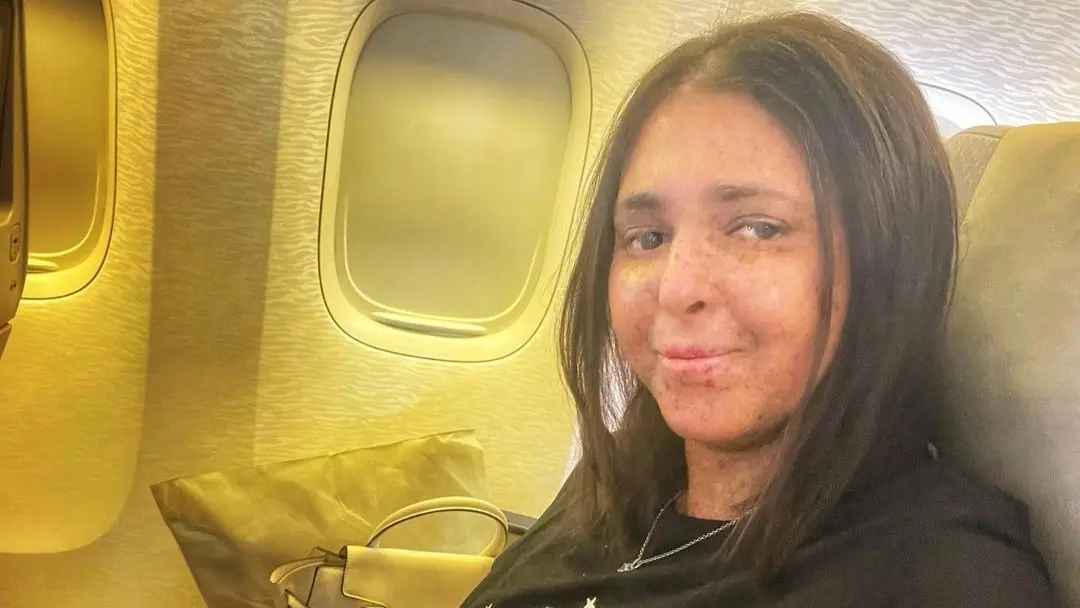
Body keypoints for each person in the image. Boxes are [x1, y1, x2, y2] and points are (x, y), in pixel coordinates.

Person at [461, 10, 1061, 608]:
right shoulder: (620, 469)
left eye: (758, 228)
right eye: (648, 237)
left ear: (887, 262)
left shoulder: (943, 580)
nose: (676, 288)